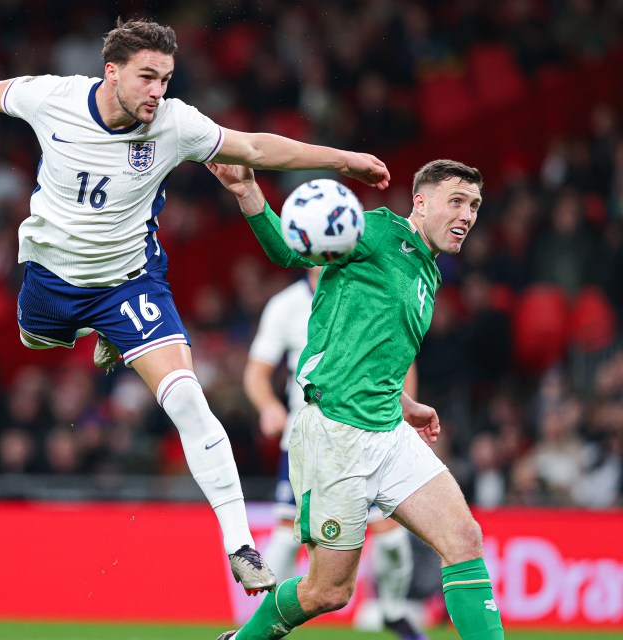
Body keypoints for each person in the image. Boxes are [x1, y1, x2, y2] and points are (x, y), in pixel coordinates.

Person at [0, 17, 390, 593]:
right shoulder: (53, 98)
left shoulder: (175, 123)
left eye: (166, 78)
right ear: (111, 72)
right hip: (52, 277)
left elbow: (255, 146)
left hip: (129, 283)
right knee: (35, 339)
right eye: (148, 77)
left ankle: (239, 543)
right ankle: (101, 339)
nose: (158, 91)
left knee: (186, 397)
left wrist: (340, 159)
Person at [208, 159, 504, 639]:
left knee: (465, 539)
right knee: (329, 591)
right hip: (335, 432)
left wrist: (406, 404)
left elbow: (375, 346)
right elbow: (291, 249)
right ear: (420, 202)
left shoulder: (428, 270)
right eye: (456, 201)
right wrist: (250, 197)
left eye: (474, 205)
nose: (468, 215)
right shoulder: (376, 231)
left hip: (388, 429)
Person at [244, 270, 429, 639]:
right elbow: (256, 372)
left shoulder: (367, 287)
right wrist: (268, 407)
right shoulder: (285, 305)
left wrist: (406, 410)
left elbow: (400, 360)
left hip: (371, 436)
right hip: (308, 441)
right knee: (286, 534)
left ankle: (394, 613)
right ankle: (257, 625)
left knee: (391, 537)